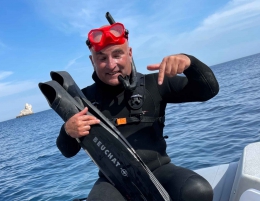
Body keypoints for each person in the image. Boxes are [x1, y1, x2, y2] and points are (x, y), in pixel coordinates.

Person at [57, 22, 219, 201]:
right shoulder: (83, 100)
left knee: (197, 190)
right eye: (102, 58)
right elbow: (67, 151)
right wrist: (68, 131)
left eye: (117, 55)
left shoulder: (154, 84)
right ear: (92, 60)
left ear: (129, 53)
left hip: (159, 169)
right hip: (113, 181)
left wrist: (190, 63)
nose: (111, 65)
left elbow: (208, 90)